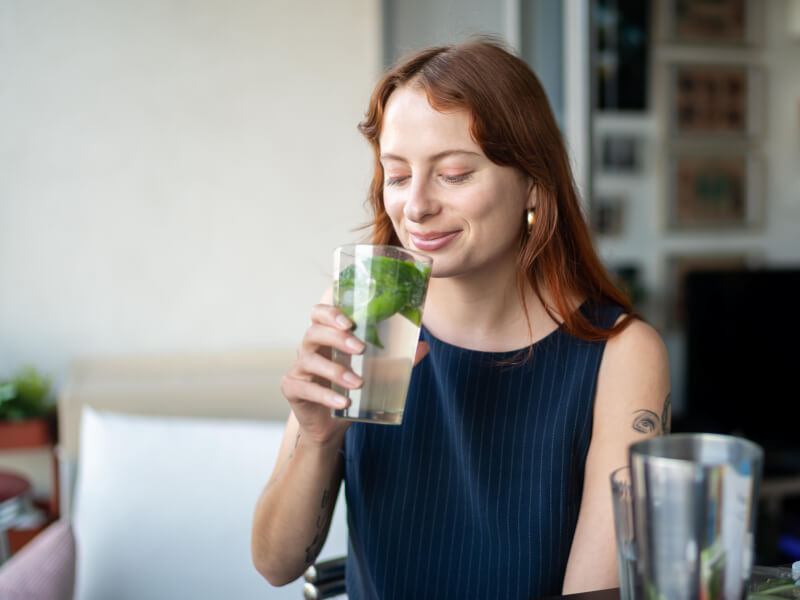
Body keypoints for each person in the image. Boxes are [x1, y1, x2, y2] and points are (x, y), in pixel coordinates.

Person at [251, 37, 670, 599]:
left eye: (452, 173)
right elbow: (275, 565)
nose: (416, 205)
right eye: (397, 175)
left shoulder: (620, 353)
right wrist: (317, 439)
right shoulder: (369, 309)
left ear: (533, 185)